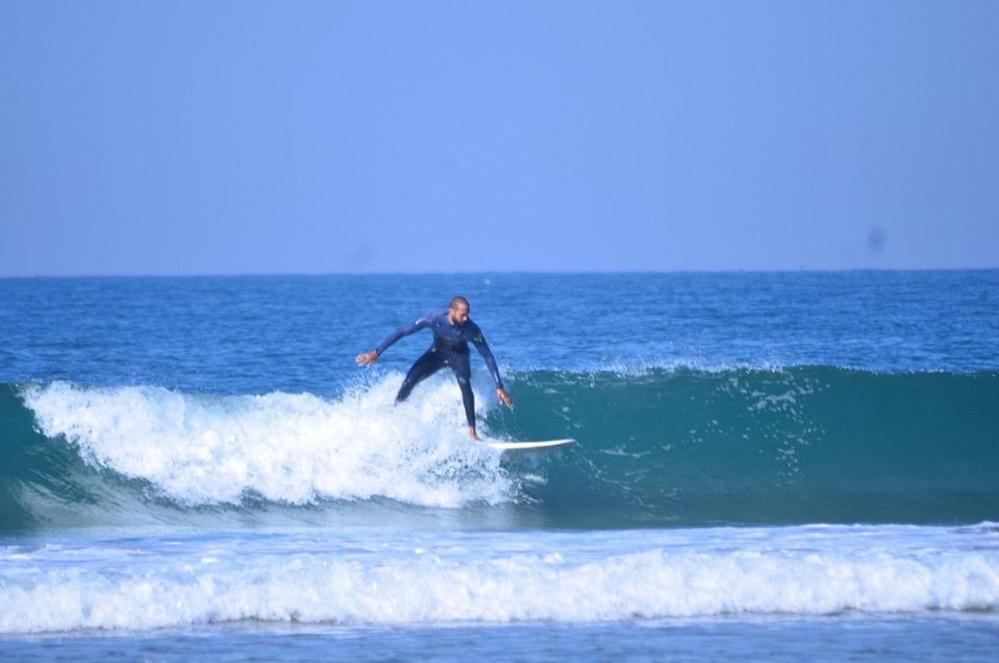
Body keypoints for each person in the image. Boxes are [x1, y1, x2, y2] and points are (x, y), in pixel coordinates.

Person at [355, 296, 513, 440]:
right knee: (409, 380)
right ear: (452, 311)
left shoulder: (471, 329)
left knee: (465, 385)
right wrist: (377, 352)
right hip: (436, 353)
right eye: (462, 315)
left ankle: (472, 432)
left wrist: (499, 386)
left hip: (459, 356)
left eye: (467, 315)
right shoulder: (433, 318)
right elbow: (403, 331)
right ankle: (395, 413)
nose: (466, 319)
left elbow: (487, 355)